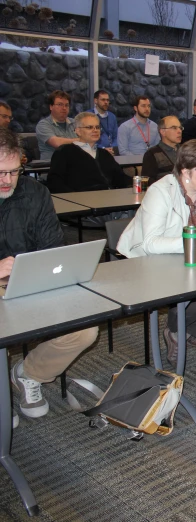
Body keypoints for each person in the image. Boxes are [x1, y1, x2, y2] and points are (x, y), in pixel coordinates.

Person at [0, 128, 99, 425]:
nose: (7, 181)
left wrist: (40, 270)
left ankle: (29, 374)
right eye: (0, 173)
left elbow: (52, 246)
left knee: (84, 330)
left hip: (29, 281)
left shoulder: (35, 192)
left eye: (13, 172)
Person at [117, 140, 196, 365]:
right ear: (185, 171)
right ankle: (175, 331)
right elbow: (151, 243)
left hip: (191, 259)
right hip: (151, 260)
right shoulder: (161, 191)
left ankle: (188, 332)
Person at [47, 112, 131, 193]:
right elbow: (54, 182)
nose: (95, 130)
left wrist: (138, 182)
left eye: (97, 127)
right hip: (81, 201)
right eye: (90, 127)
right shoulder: (64, 152)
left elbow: (120, 178)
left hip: (109, 198)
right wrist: (74, 197)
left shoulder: (104, 154)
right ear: (78, 131)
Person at [35, 90, 78, 160]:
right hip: (51, 166)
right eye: (60, 104)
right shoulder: (43, 125)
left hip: (74, 164)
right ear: (51, 107)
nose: (64, 108)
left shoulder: (75, 123)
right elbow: (57, 143)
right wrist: (81, 140)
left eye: (66, 105)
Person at [141, 115, 182, 183]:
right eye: (174, 128)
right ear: (163, 132)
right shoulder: (152, 154)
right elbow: (147, 181)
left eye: (180, 128)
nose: (179, 131)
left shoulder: (186, 151)